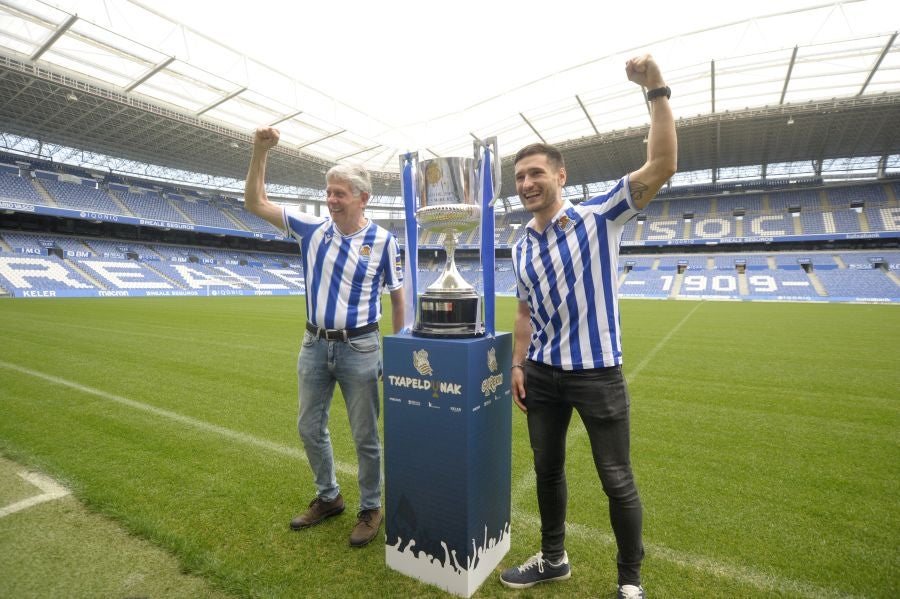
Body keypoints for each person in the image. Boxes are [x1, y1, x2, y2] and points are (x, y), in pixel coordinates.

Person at [498, 54, 676, 599]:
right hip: (542, 374)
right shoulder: (520, 245)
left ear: (560, 176)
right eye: (520, 177)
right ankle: (554, 559)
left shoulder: (601, 215)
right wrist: (518, 365)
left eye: (536, 173)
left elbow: (662, 164)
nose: (527, 183)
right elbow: (524, 312)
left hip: (598, 373)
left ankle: (630, 581)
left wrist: (656, 88)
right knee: (547, 471)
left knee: (616, 478)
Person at [244, 126, 404, 548]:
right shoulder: (312, 229)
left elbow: (399, 299)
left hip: (361, 346)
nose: (331, 200)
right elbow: (255, 203)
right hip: (314, 344)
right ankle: (329, 497)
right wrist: (260, 150)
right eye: (329, 192)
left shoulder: (384, 242)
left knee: (365, 435)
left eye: (340, 194)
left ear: (362, 198)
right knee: (308, 426)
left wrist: (398, 351)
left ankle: (371, 507)